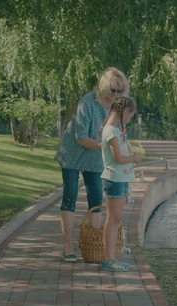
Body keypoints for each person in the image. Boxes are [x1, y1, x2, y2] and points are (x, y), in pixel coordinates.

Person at [57, 67, 129, 262]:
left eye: (120, 91)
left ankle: (94, 242)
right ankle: (68, 246)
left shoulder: (119, 107)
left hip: (95, 157)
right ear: (104, 87)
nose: (115, 95)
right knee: (70, 197)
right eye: (113, 90)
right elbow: (81, 138)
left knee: (96, 201)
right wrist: (108, 148)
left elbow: (120, 135)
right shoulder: (87, 103)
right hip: (73, 153)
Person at [99, 96, 141, 271]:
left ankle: (112, 258)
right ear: (124, 112)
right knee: (113, 219)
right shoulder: (111, 131)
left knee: (116, 219)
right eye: (130, 116)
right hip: (114, 179)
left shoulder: (115, 130)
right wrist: (135, 158)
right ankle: (109, 259)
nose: (130, 119)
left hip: (120, 179)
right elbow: (117, 158)